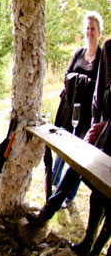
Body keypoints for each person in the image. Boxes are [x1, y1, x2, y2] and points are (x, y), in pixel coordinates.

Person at [49, 12, 102, 205]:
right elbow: (66, 76)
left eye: (93, 29)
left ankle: (69, 195)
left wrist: (78, 82)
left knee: (79, 153)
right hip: (70, 108)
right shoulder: (79, 53)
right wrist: (82, 83)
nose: (89, 32)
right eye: (87, 28)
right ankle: (54, 184)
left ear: (99, 32)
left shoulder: (102, 57)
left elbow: (99, 85)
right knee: (63, 147)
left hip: (88, 113)